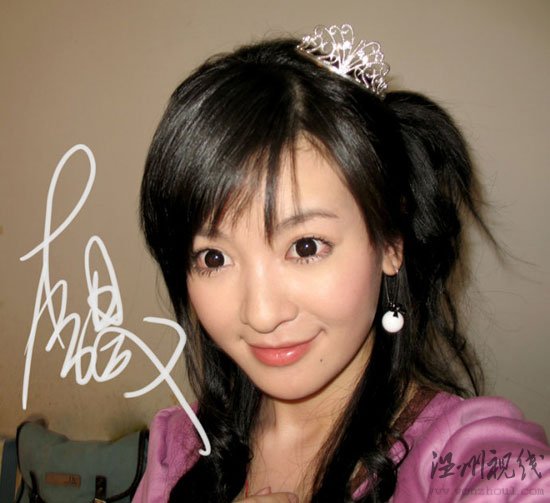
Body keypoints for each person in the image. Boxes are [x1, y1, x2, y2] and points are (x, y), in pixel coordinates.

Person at [133, 25, 550, 502]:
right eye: (214, 258)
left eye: (306, 247)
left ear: (391, 242)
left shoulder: (473, 462)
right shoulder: (178, 448)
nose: (262, 314)